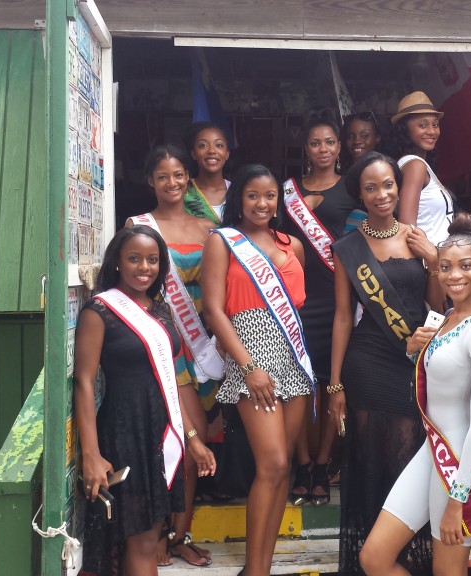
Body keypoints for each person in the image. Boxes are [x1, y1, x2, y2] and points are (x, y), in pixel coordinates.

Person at [360, 214, 471, 576]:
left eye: (465, 267)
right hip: (431, 452)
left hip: (460, 463)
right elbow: (439, 375)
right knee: (374, 558)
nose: (454, 275)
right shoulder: (446, 317)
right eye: (445, 267)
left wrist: (458, 500)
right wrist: (413, 349)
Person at [74, 226, 216, 576]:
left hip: (159, 434)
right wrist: (91, 454)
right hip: (125, 433)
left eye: (152, 260)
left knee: (149, 539)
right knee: (140, 542)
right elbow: (83, 382)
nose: (144, 267)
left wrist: (193, 439)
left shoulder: (162, 311)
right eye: (134, 259)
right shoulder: (100, 311)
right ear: (118, 263)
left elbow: (166, 381)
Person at [328, 152, 444, 575]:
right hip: (368, 364)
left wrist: (433, 261)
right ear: (360, 194)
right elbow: (343, 317)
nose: (382, 194)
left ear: (399, 185)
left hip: (412, 364)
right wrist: (336, 384)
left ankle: (401, 559)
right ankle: (371, 564)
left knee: (406, 463)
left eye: (389, 185)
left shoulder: (418, 238)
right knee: (371, 465)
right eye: (371, 188)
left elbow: (436, 305)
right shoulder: (348, 248)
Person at [200, 164, 314, 576]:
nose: (262, 203)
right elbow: (213, 309)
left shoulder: (293, 245)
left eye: (270, 196)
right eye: (252, 195)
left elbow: (299, 307)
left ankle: (259, 566)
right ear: (239, 199)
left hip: (294, 359)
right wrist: (248, 366)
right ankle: (255, 569)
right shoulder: (223, 242)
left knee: (283, 468)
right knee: (271, 464)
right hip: (252, 357)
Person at [126, 145, 220, 567]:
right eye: (163, 176)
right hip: (166, 347)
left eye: (179, 174)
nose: (172, 183)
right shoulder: (138, 225)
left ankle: (180, 533)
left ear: (189, 178)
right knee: (182, 442)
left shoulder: (209, 226)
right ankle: (165, 534)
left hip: (208, 348)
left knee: (194, 444)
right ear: (150, 181)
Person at [283, 115, 357, 507]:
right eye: (315, 143)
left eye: (330, 142)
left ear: (339, 147)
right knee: (298, 383)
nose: (323, 149)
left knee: (331, 384)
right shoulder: (287, 192)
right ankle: (301, 462)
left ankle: (323, 463)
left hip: (336, 296)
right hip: (295, 296)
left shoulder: (351, 190)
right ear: (306, 148)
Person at [385, 91, 455, 245]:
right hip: (429, 262)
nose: (431, 131)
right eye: (422, 125)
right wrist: (430, 260)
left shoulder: (411, 164)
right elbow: (407, 228)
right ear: (404, 129)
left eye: (435, 125)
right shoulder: (414, 166)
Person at [184, 122, 231, 225]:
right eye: (203, 145)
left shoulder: (237, 191)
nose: (211, 151)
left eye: (219, 145)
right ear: (194, 153)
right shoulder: (183, 191)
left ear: (227, 154)